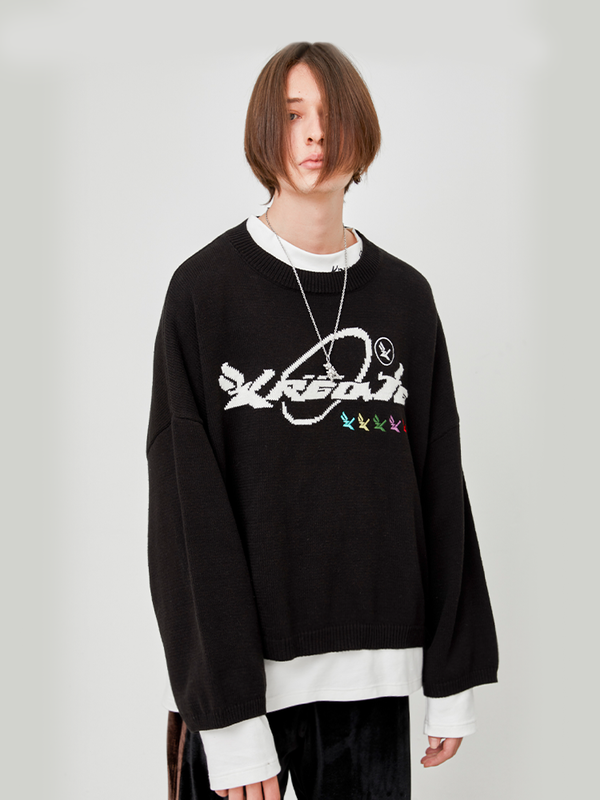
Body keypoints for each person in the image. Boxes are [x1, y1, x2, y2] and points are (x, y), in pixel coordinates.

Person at [146, 41, 499, 800]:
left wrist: (451, 677)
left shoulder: (405, 299)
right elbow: (184, 516)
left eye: (332, 115)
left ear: (360, 134)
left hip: (374, 683)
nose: (314, 135)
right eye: (292, 115)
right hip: (245, 692)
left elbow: (440, 485)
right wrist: (230, 721)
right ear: (263, 133)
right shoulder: (204, 293)